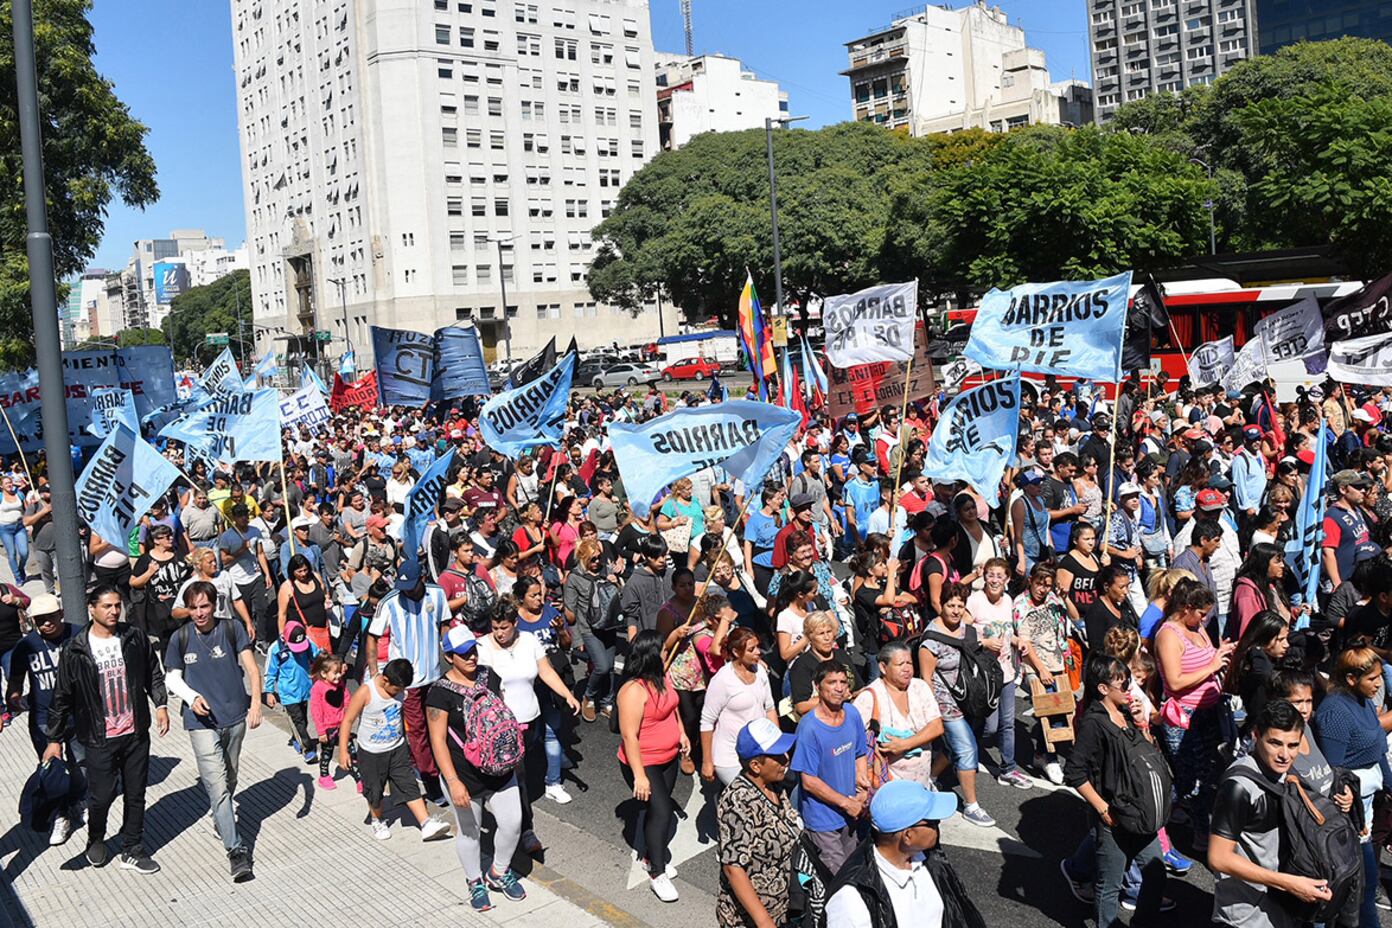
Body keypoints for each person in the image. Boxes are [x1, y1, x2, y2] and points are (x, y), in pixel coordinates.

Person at [44, 584, 169, 873]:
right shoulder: (76, 649)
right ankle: (96, 837)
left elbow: (153, 671)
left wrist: (160, 704)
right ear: (92, 609)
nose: (114, 611)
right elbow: (62, 696)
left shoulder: (133, 636)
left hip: (135, 732)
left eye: (117, 605)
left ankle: (132, 848)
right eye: (107, 606)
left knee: (136, 793)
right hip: (98, 736)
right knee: (101, 796)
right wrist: (54, 738)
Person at [1210, 699, 1349, 928]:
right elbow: (1219, 857)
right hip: (1248, 917)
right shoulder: (1238, 787)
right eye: (1275, 743)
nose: (1285, 755)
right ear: (1256, 735)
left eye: (1293, 745)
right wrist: (1288, 883)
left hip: (1285, 906)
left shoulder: (1283, 770)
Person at [162, 580, 263, 882]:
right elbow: (172, 678)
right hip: (200, 724)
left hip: (234, 717)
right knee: (217, 787)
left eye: (204, 606)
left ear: (214, 605)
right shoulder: (180, 638)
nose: (199, 613)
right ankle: (236, 851)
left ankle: (222, 819)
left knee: (230, 777)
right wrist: (192, 698)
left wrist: (256, 704)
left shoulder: (232, 629)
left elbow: (252, 668)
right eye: (193, 608)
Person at [426, 626, 528, 913]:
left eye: (473, 650)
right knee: (470, 830)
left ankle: (498, 872)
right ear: (449, 657)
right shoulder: (439, 694)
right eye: (463, 653)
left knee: (512, 822)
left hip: (499, 769)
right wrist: (453, 781)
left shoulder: (489, 676)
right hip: (463, 775)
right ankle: (474, 881)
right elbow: (437, 741)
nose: (471, 657)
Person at [1064, 655, 1167, 928]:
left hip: (1139, 812)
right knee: (1108, 884)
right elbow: (1074, 772)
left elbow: (1148, 756)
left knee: (1156, 875)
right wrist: (1102, 808)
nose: (1129, 689)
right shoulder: (1093, 722)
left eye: (1129, 682)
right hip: (1113, 816)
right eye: (1123, 684)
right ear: (1102, 688)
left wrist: (1141, 724)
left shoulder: (1125, 715)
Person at [476, 592, 581, 854]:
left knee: (517, 774)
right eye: (495, 628)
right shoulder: (483, 648)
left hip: (530, 721)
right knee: (517, 777)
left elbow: (545, 671)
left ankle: (509, 815)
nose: (499, 633)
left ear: (515, 624)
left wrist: (567, 695)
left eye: (504, 627)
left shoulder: (529, 641)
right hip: (503, 728)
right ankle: (525, 830)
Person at [825, 779, 984, 928]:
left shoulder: (930, 858)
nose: (938, 825)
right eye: (933, 822)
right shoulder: (852, 900)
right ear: (908, 836)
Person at [1312, 647, 1392, 928]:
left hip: (1364, 807)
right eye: (1372, 678)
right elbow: (1333, 770)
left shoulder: (1363, 702)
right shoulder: (1335, 712)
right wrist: (1349, 807)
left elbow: (1378, 750)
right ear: (1350, 679)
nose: (1379, 684)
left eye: (1379, 676)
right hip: (1345, 813)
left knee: (1365, 884)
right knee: (1341, 888)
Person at [1154, 577, 1233, 847]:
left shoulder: (1197, 627)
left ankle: (1197, 826)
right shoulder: (1168, 635)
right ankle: (1165, 822)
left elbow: (1209, 657)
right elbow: (1174, 682)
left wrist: (1221, 653)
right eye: (1201, 613)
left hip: (1208, 712)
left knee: (1208, 775)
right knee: (1191, 780)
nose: (1204, 619)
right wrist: (1212, 666)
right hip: (1184, 716)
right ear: (1186, 607)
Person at [365, 560, 451, 805]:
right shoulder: (389, 602)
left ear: (422, 579)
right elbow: (372, 637)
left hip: (433, 676)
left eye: (411, 587)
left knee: (439, 727)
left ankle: (441, 768)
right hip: (407, 683)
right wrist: (375, 672)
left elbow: (444, 624)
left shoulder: (437, 594)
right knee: (417, 731)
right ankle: (430, 780)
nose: (406, 592)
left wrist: (449, 651)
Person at [338, 657, 452, 842]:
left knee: (408, 784)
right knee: (374, 791)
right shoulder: (366, 692)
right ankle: (377, 819)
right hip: (371, 753)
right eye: (397, 689)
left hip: (397, 748)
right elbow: (348, 720)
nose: (400, 693)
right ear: (385, 680)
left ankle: (426, 823)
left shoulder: (400, 691)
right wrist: (343, 751)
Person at [3, 594, 84, 846]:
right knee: (52, 771)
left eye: (50, 617)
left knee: (81, 764)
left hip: (79, 714)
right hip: (43, 718)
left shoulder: (79, 635)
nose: (46, 623)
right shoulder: (26, 645)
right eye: (39, 620)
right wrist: (14, 697)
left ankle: (78, 800)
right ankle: (60, 814)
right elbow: (15, 680)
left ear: (61, 614)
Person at [617, 629, 689, 903]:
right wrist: (639, 775)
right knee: (662, 812)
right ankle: (657, 872)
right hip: (644, 761)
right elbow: (629, 736)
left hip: (668, 757)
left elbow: (673, 708)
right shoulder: (633, 691)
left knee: (657, 810)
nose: (666, 653)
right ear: (650, 655)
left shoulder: (662, 677)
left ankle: (651, 853)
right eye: (662, 650)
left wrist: (682, 733)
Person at [918, 582, 995, 827]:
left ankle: (930, 777)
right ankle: (972, 806)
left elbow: (972, 648)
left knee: (953, 747)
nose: (955, 611)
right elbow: (926, 679)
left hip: (967, 699)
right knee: (966, 748)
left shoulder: (964, 629)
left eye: (960, 606)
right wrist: (933, 713)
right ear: (941, 605)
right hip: (945, 703)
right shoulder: (931, 640)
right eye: (950, 605)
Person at [715, 718, 801, 928]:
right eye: (777, 756)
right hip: (749, 919)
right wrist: (764, 922)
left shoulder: (775, 786)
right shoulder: (738, 802)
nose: (786, 759)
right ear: (755, 765)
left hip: (782, 908)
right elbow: (733, 868)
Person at [790, 660, 869, 875]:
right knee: (837, 879)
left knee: (853, 871)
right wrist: (846, 803)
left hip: (851, 813)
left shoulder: (852, 714)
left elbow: (860, 753)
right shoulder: (809, 728)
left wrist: (862, 785)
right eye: (832, 682)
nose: (839, 688)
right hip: (823, 819)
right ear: (817, 686)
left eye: (843, 682)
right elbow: (809, 781)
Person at [1012, 562, 1074, 785]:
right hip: (1034, 665)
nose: (1043, 589)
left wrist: (1064, 598)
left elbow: (1074, 616)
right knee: (1051, 709)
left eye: (1047, 585)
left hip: (1056, 661)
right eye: (1039, 584)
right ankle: (1050, 758)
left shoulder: (1053, 600)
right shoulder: (1020, 605)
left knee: (1058, 709)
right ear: (1031, 581)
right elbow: (1025, 644)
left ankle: (1040, 753)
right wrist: (1041, 669)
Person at [851, 640, 943, 789]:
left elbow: (937, 726)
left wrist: (904, 744)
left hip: (921, 782)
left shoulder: (920, 687)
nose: (906, 669)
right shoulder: (869, 697)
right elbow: (851, 738)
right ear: (883, 667)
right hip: (887, 782)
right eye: (900, 664)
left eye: (909, 663)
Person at [700, 627, 777, 786]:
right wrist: (707, 762)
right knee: (750, 793)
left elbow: (769, 708)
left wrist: (777, 743)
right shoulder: (722, 680)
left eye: (757, 647)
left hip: (758, 751)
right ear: (736, 652)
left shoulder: (761, 671)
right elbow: (707, 722)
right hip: (730, 757)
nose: (758, 652)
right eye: (751, 649)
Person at [218, 502, 274, 647]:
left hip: (255, 575)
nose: (243, 518)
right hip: (237, 579)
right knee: (243, 612)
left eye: (245, 515)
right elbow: (224, 559)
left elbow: (260, 553)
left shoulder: (255, 531)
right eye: (240, 516)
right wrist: (241, 550)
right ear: (234, 518)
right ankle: (246, 636)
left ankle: (261, 638)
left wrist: (267, 574)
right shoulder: (226, 537)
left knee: (262, 608)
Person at [1224, 612, 1289, 735]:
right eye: (1280, 640)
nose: (1286, 645)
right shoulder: (1258, 665)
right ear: (1264, 639)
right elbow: (1262, 672)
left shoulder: (1252, 658)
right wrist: (1256, 651)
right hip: (1258, 729)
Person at [262, 622, 319, 760]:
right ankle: (307, 750)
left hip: (304, 689)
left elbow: (316, 656)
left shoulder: (307, 642)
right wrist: (269, 691)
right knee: (297, 720)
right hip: (287, 693)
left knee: (303, 720)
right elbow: (270, 672)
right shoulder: (276, 649)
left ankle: (296, 738)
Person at [309, 652, 360, 790]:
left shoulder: (340, 684)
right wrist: (321, 731)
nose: (338, 676)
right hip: (328, 728)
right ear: (324, 674)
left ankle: (358, 777)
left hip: (342, 725)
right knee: (327, 753)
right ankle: (324, 776)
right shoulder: (318, 688)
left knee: (351, 751)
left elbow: (347, 699)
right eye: (335, 673)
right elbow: (316, 711)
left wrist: (349, 715)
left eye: (339, 673)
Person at [1228, 543, 1293, 640]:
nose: (1282, 565)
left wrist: (1296, 612)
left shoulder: (1270, 585)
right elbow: (1248, 631)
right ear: (1263, 564)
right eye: (1277, 562)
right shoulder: (1246, 592)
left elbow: (1278, 610)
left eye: (1282, 561)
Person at [1082, 565, 1139, 655]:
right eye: (1121, 587)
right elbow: (1097, 650)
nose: (1126, 591)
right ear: (1106, 586)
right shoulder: (1096, 612)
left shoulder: (1123, 605)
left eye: (1127, 586)